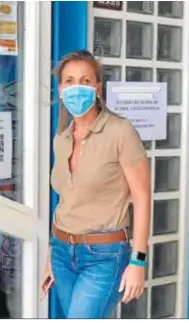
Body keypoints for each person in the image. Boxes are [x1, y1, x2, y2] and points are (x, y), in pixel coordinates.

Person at [40, 50, 151, 319]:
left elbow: (143, 196)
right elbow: (67, 200)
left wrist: (138, 261)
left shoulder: (120, 132)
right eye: (69, 81)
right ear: (61, 89)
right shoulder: (62, 138)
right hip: (63, 253)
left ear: (97, 88)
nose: (77, 88)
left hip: (104, 255)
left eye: (85, 81)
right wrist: (51, 254)